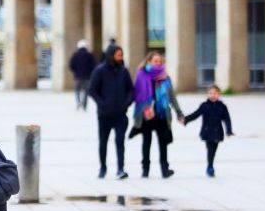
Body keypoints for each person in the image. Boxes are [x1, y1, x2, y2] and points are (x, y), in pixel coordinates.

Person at [129, 51, 185, 178]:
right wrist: (144, 108)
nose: (158, 63)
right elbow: (137, 95)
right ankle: (145, 169)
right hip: (147, 114)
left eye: (160, 61)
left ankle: (165, 169)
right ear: (148, 62)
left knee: (163, 142)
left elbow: (172, 96)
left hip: (161, 113)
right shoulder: (142, 75)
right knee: (146, 141)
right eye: (155, 61)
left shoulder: (165, 77)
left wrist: (179, 113)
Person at [87, 45, 134, 179]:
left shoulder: (123, 71)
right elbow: (92, 90)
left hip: (120, 114)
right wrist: (103, 104)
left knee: (120, 141)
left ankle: (120, 168)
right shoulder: (100, 70)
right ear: (111, 55)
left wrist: (127, 102)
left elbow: (131, 89)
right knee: (103, 141)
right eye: (118, 55)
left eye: (121, 55)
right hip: (104, 115)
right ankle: (103, 167)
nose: (121, 57)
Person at [184, 85, 234, 177]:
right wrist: (186, 119)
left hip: (217, 132)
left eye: (215, 93)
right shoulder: (204, 105)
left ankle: (210, 165)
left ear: (219, 94)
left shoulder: (222, 106)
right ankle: (210, 167)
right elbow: (196, 114)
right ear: (207, 94)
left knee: (213, 149)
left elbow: (227, 119)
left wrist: (229, 130)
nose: (212, 95)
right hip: (207, 131)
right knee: (210, 149)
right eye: (210, 93)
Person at [68, 40, 95, 111]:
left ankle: (78, 102)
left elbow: (71, 65)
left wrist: (75, 72)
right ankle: (84, 105)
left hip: (78, 76)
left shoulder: (75, 55)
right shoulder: (89, 55)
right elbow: (93, 66)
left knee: (77, 90)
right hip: (87, 76)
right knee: (86, 91)